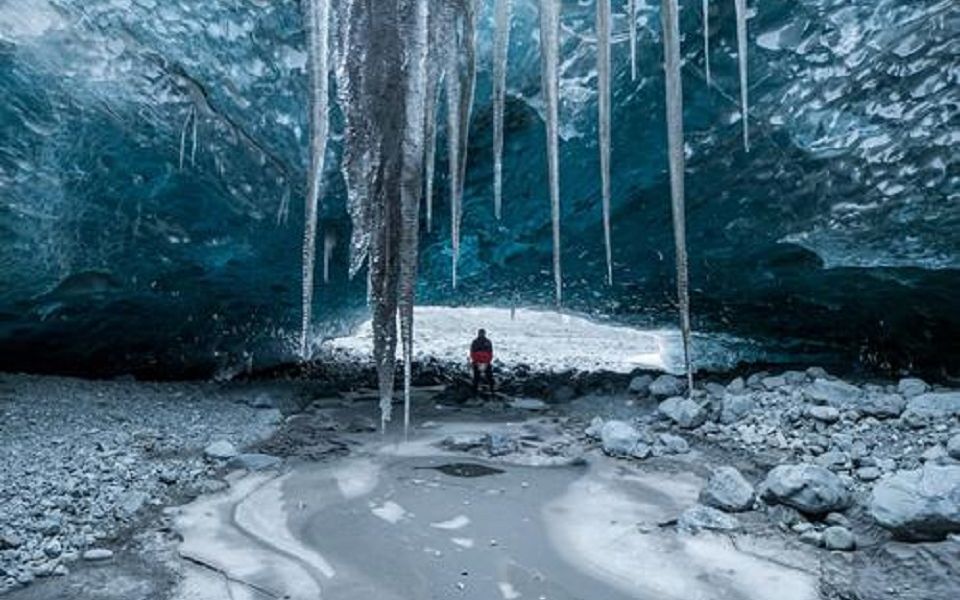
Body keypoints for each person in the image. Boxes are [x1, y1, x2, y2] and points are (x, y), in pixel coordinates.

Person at [469, 328, 494, 396]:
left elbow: (490, 353)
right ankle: (474, 393)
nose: (481, 334)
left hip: (486, 363)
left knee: (490, 377)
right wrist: (476, 361)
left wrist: (487, 362)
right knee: (476, 378)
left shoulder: (488, 342)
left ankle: (492, 391)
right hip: (477, 363)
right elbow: (472, 353)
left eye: (482, 333)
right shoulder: (475, 342)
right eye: (480, 333)